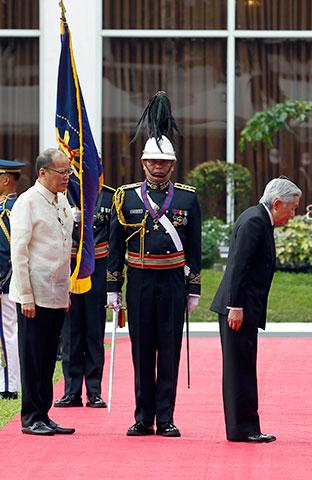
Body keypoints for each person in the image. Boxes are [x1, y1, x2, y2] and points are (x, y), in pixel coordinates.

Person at [107, 92, 202, 437]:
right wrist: (112, 288)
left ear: (173, 165)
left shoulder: (188, 197)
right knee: (142, 350)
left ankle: (167, 418)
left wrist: (193, 287)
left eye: (164, 163)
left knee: (170, 349)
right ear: (143, 163)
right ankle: (142, 417)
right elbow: (116, 244)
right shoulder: (126, 196)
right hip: (141, 281)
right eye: (153, 163)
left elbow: (195, 246)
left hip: (173, 282)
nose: (158, 168)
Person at [211, 177, 301, 443]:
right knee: (239, 368)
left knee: (244, 366)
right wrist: (235, 306)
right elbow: (239, 266)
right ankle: (242, 428)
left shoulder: (259, 218)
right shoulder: (255, 221)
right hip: (238, 307)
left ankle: (247, 426)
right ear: (277, 203)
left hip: (244, 306)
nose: (293, 214)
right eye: (292, 207)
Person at [9, 148, 75, 435]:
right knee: (33, 357)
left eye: (69, 172)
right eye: (63, 172)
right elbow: (19, 252)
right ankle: (31, 416)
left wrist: (67, 292)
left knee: (49, 358)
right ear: (43, 172)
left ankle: (44, 414)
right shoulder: (27, 202)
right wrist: (26, 296)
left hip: (56, 293)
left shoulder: (61, 201)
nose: (67, 177)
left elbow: (64, 249)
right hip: (33, 295)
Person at [55, 186, 114, 408]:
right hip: (69, 269)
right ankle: (71, 391)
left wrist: (113, 283)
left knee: (94, 332)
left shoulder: (109, 196)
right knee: (70, 332)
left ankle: (94, 391)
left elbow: (114, 238)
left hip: (97, 270)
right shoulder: (61, 196)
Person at [0, 159, 26, 400]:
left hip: (5, 280)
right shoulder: (13, 206)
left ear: (5, 180)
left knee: (7, 332)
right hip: (9, 279)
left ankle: (9, 385)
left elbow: (6, 249)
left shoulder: (9, 208)